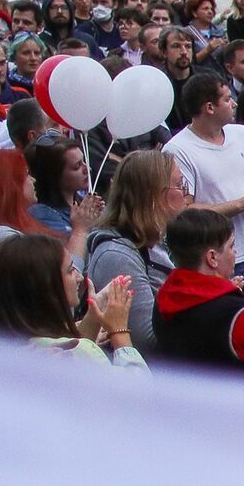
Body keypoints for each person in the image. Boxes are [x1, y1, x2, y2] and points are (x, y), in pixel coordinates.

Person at [0, 231, 144, 371]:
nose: (79, 277)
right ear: (46, 286)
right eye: (70, 270)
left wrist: (94, 315)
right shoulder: (72, 354)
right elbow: (137, 389)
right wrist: (119, 331)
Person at [152, 207, 244, 370]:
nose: (235, 252)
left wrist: (239, 297)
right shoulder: (236, 314)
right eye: (231, 246)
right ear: (212, 257)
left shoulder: (163, 298)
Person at [86, 149, 187, 355]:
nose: (186, 193)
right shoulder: (116, 257)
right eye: (179, 185)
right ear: (153, 196)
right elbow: (145, 340)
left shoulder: (154, 238)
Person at [164, 72, 244, 265]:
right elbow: (184, 209)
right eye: (227, 99)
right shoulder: (177, 150)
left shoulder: (243, 134)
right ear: (209, 107)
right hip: (216, 257)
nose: (234, 104)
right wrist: (242, 204)